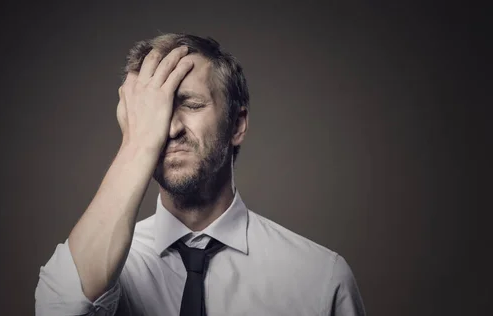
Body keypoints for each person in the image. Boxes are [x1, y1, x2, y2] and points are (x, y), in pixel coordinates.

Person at [34, 33, 366, 316]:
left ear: (237, 125)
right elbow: (58, 308)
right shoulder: (114, 268)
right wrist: (138, 143)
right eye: (156, 113)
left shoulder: (321, 279)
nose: (171, 129)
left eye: (190, 105)